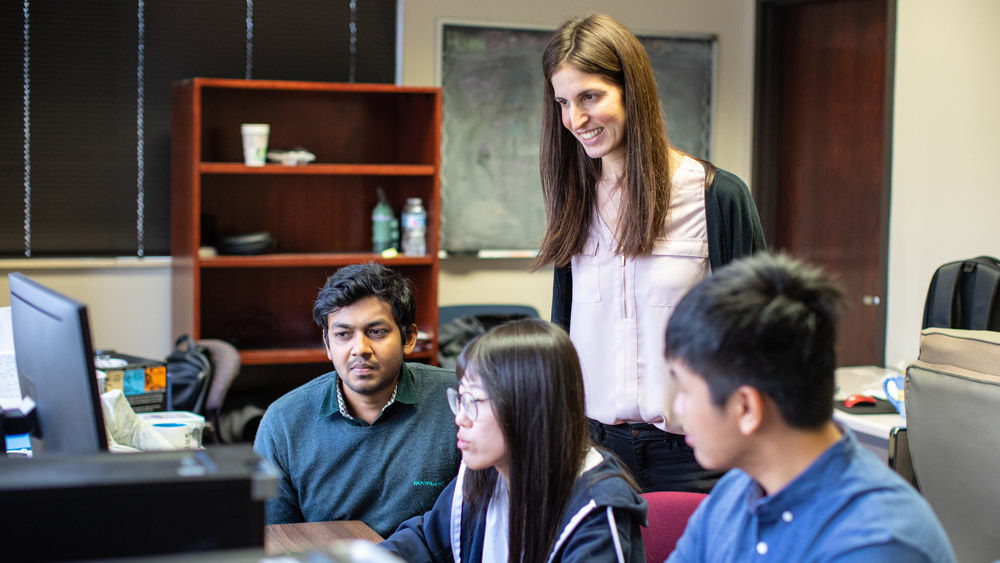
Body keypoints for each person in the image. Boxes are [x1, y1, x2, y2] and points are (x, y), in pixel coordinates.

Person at [531, 12, 766, 494]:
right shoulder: (574, 201)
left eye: (590, 97)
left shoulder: (715, 197)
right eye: (563, 102)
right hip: (595, 453)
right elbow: (566, 328)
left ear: (631, 91)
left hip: (696, 457)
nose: (575, 120)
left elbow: (760, 340)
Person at [663, 253, 956, 562]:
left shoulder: (877, 544)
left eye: (685, 390)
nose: (678, 407)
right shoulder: (736, 493)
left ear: (746, 408)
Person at [380, 319, 647, 563]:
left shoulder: (595, 512)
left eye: (474, 402)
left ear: (528, 407)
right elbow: (427, 539)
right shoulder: (486, 469)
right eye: (460, 399)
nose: (460, 418)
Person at [253, 263, 461, 537]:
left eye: (376, 332)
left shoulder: (459, 402)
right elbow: (275, 538)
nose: (360, 349)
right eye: (343, 335)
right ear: (328, 344)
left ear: (408, 338)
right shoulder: (283, 422)